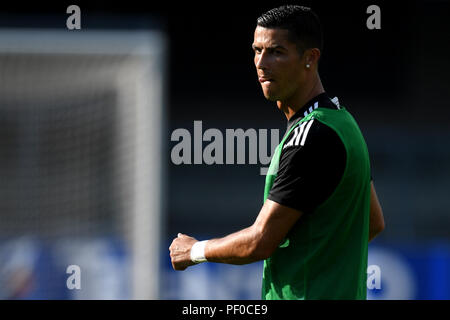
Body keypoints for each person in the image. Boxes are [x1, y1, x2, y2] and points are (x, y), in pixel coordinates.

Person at [169, 5, 385, 300]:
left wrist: (194, 251)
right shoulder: (343, 122)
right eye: (257, 51)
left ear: (310, 58)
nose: (261, 62)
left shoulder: (310, 137)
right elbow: (373, 222)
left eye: (276, 52)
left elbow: (259, 241)